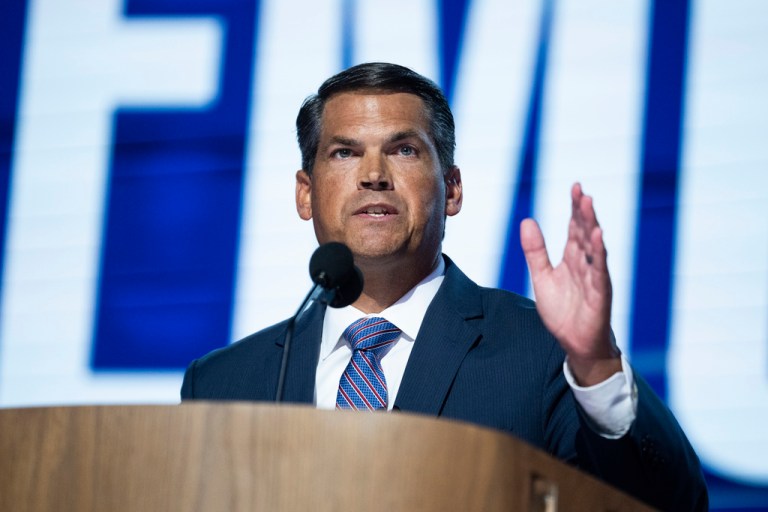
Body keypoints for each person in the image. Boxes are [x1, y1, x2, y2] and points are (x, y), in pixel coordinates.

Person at [181, 62, 707, 510]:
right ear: (305, 193)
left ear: (452, 188)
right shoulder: (225, 383)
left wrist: (595, 366)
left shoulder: (541, 351)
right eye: (344, 153)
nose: (373, 175)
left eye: (404, 150)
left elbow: (666, 504)